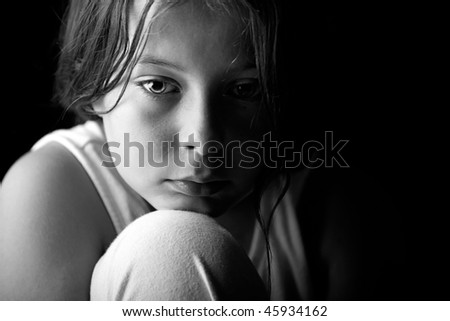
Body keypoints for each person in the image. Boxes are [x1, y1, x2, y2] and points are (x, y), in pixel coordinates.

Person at [0, 0, 403, 300]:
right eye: (158, 85)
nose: (205, 140)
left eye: (244, 90)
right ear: (95, 79)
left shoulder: (331, 204)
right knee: (167, 248)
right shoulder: (51, 190)